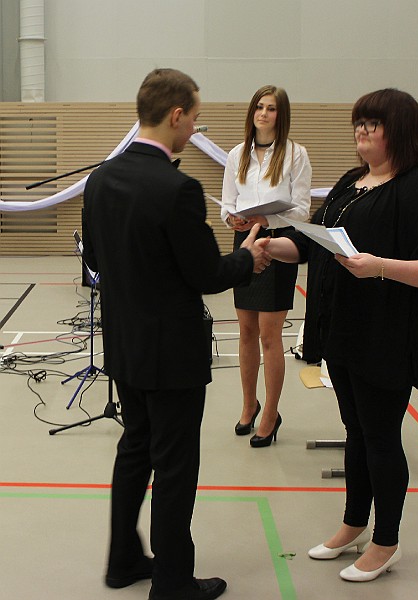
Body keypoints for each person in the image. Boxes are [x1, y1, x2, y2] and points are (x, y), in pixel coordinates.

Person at [258, 88, 418, 581]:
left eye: (373, 124)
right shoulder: (352, 182)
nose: (361, 132)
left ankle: (386, 541)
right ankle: (353, 523)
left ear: (400, 131)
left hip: (386, 332)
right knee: (356, 431)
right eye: (359, 123)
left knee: (382, 437)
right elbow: (314, 243)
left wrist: (380, 267)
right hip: (342, 328)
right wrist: (270, 245)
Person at [82, 68, 270, 600]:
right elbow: (206, 274)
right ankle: (171, 581)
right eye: (194, 119)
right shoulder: (178, 188)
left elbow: (95, 260)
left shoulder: (101, 179)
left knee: (135, 449)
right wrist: (247, 258)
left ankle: (122, 560)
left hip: (126, 346)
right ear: (176, 115)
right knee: (174, 468)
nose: (194, 130)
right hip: (172, 355)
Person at [221, 84, 312, 447]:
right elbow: (228, 203)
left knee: (269, 336)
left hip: (278, 244)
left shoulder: (296, 154)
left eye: (271, 108)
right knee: (245, 332)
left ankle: (271, 414)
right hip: (244, 243)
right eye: (259, 107)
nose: (263, 113)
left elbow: (302, 210)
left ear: (281, 114)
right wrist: (233, 219)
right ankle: (249, 405)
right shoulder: (236, 154)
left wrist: (265, 219)